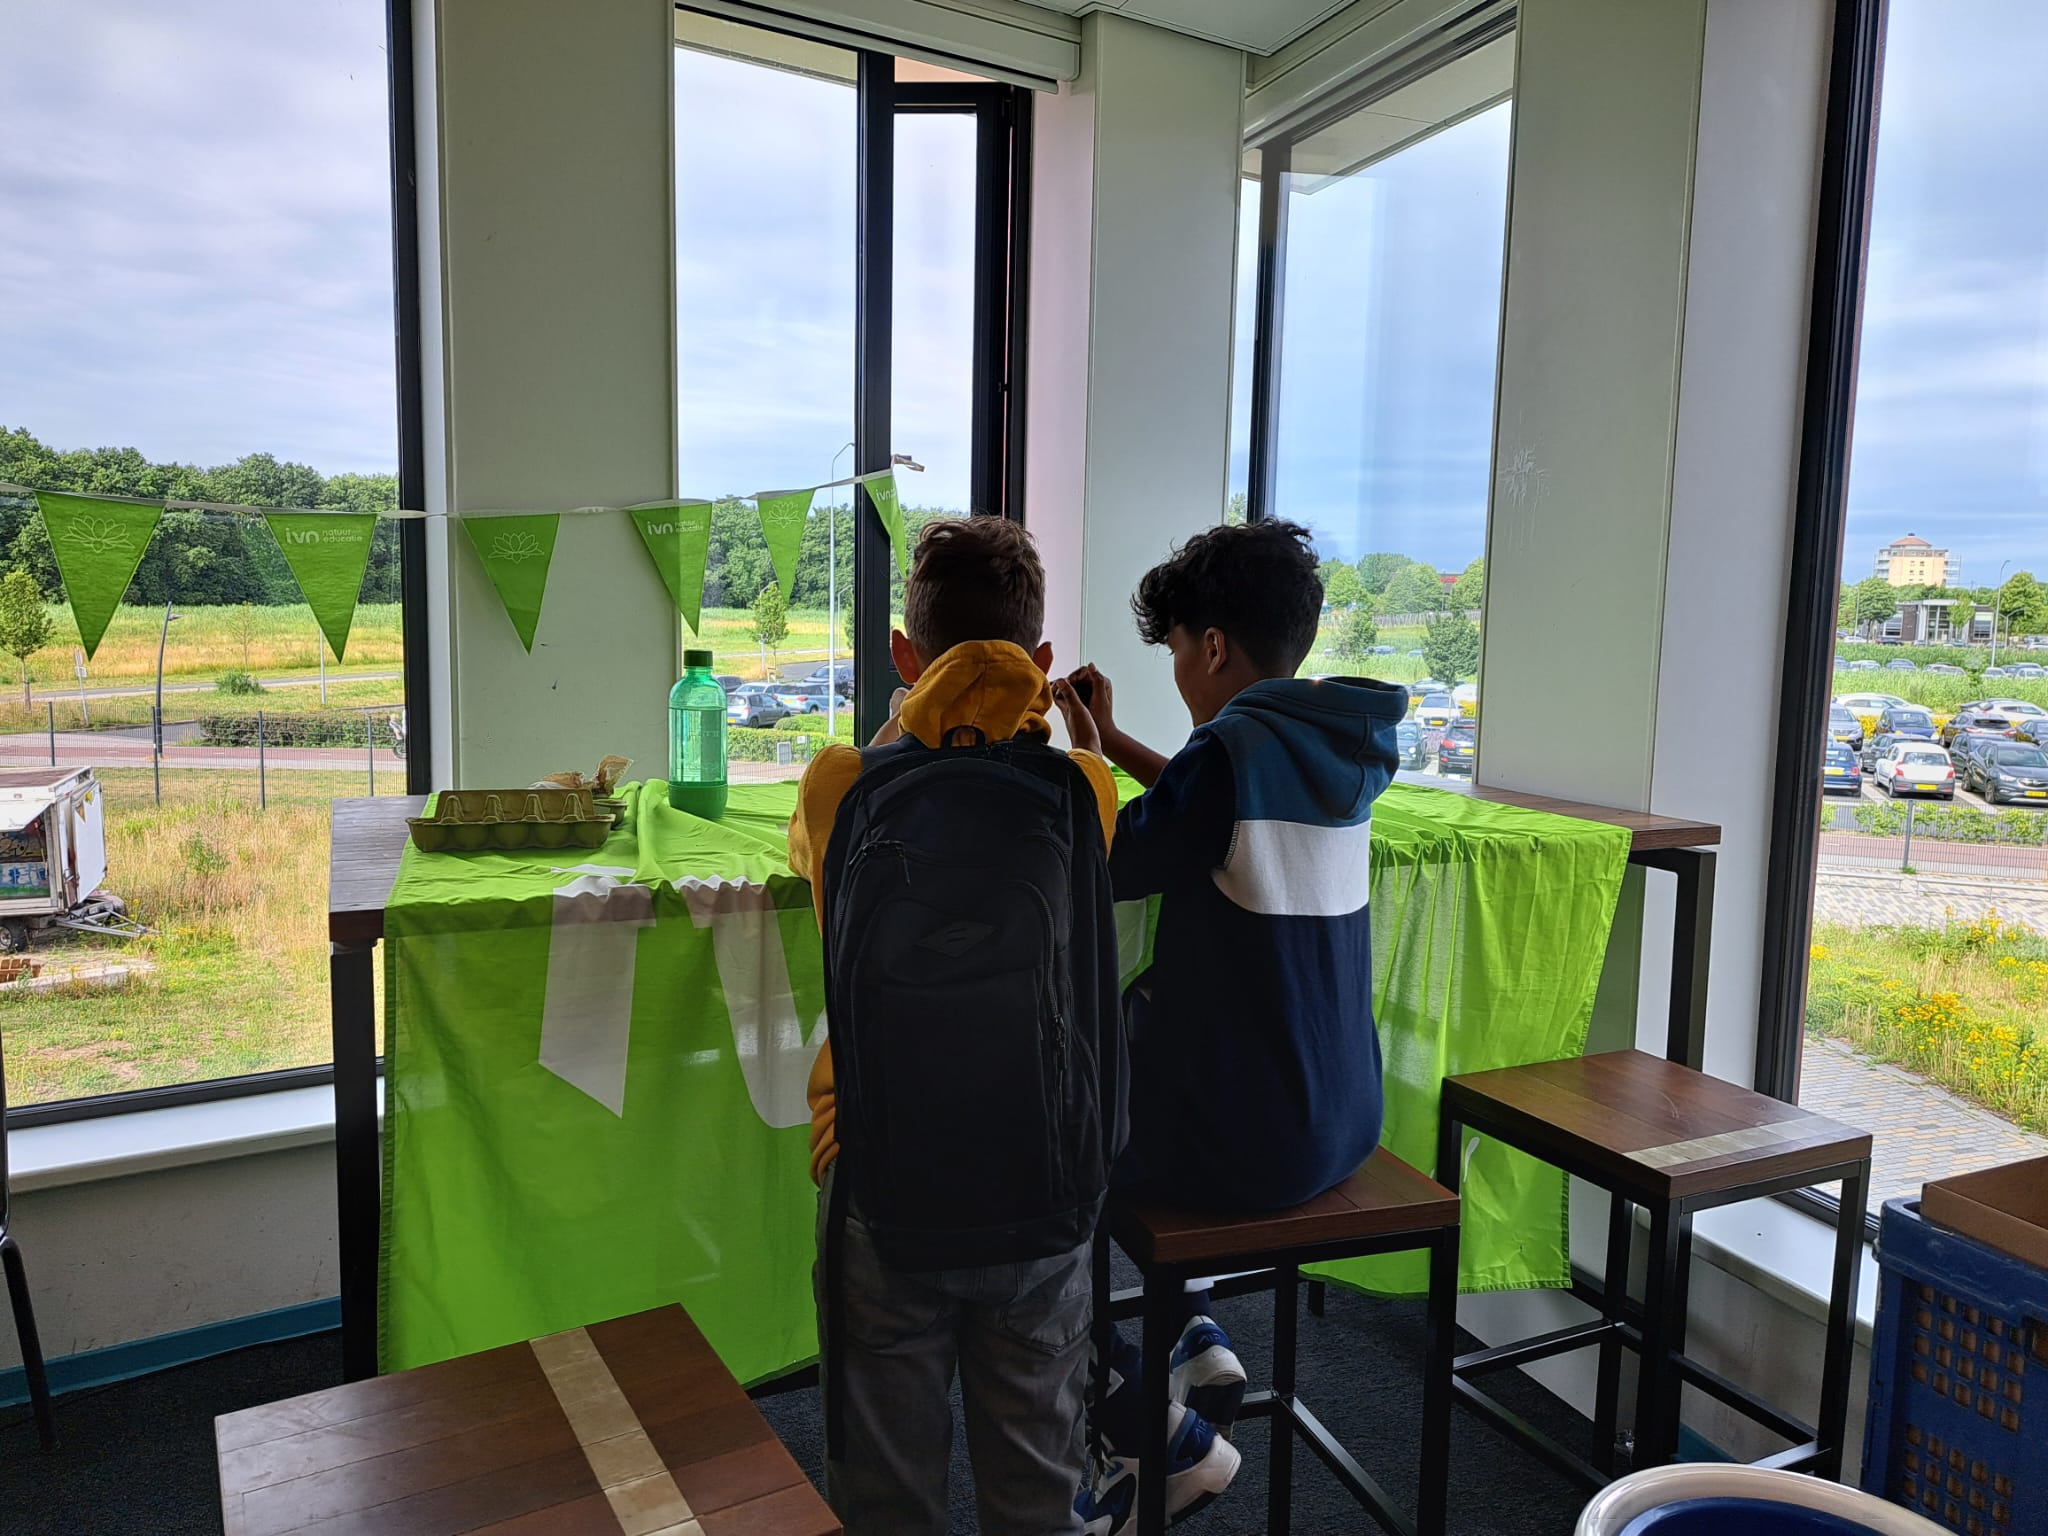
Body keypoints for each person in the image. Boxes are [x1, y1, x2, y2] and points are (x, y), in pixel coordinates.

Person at [1052, 519, 1406, 1535]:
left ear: (1210, 646)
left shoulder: (1230, 752)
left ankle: (1153, 1430)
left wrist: (1079, 760)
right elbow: (1211, 811)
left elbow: (1110, 867)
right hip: (1341, 1119)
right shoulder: (1327, 744)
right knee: (1158, 1051)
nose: (1174, 674)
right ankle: (1193, 1327)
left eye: (1172, 652)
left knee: (1052, 1157)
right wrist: (1114, 741)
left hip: (1247, 1142)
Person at [790, 516, 1123, 1536]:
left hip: (882, 1184)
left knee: (887, 1499)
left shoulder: (841, 781)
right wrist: (1072, 729)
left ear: (903, 653)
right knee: (1035, 1491)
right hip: (1043, 1180)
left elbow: (811, 855)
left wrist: (912, 723)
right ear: (1043, 660)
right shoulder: (1083, 788)